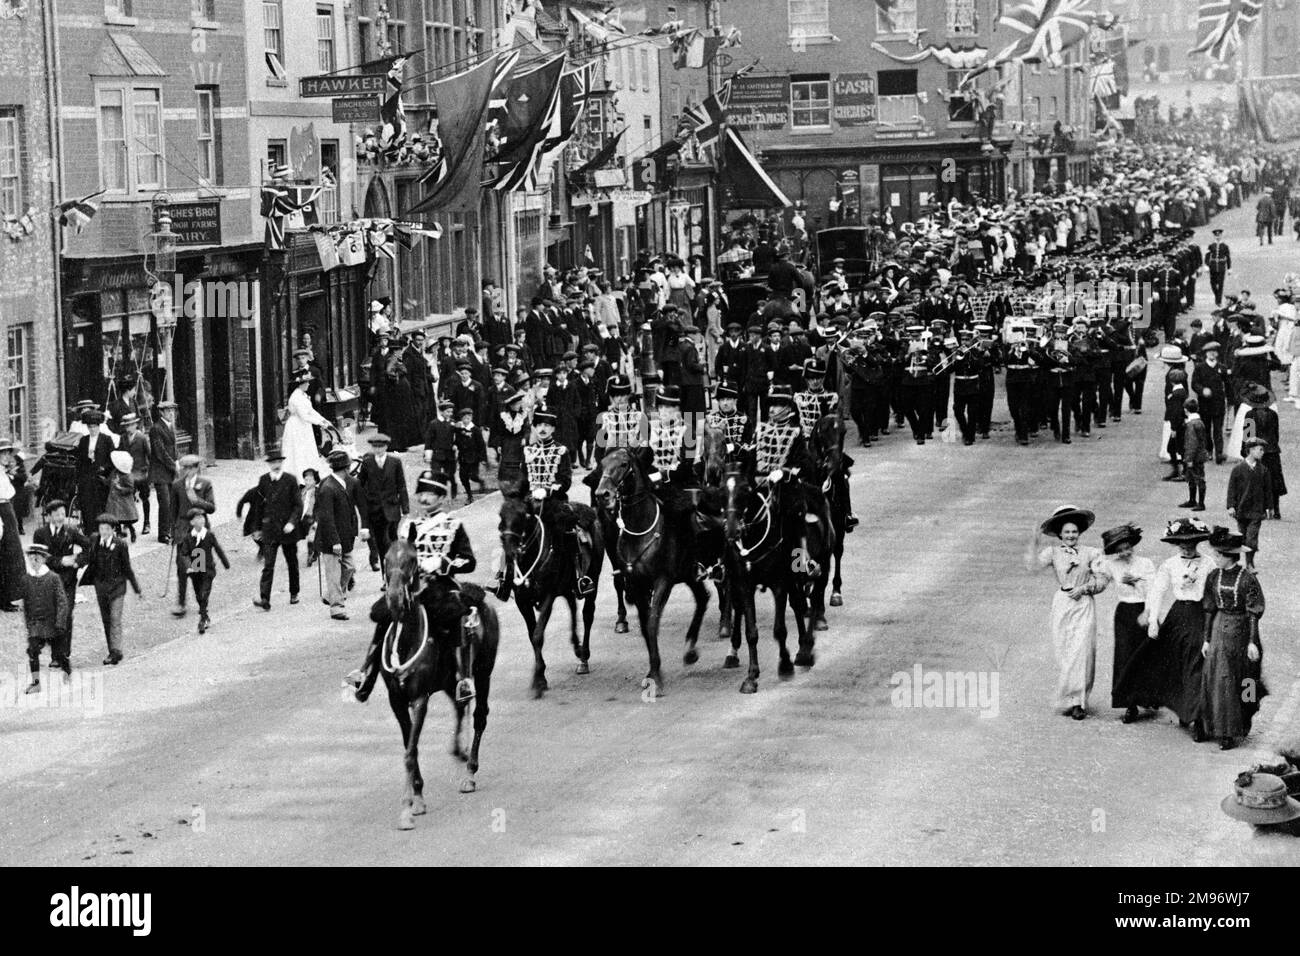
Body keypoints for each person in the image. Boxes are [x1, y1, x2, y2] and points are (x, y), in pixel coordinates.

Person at [349, 471, 479, 704]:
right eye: (422, 493)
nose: (425, 499)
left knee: (453, 616)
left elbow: (468, 561)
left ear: (441, 497)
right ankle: (366, 673)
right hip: (411, 586)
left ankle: (462, 679)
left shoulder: (453, 525)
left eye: (430, 494)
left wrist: (441, 564)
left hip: (440, 585)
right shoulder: (410, 526)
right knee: (383, 614)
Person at [1033, 506, 1105, 720]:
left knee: (1081, 651)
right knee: (1064, 649)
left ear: (1079, 532)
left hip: (1083, 603)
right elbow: (1033, 565)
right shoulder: (1053, 553)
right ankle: (1069, 698)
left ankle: (1079, 703)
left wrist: (1084, 588)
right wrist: (1033, 542)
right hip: (1063, 603)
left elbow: (1102, 579)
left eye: (1074, 532)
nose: (1071, 536)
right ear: (1059, 535)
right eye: (1066, 532)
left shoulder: (1091, 553)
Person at [1146, 517, 1214, 741]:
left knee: (1197, 664)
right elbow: (1157, 591)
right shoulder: (1169, 564)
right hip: (1178, 616)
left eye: (1191, 542)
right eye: (1181, 543)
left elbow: (1214, 593)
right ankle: (1185, 710)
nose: (1186, 546)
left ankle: (1197, 718)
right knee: (1178, 664)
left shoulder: (1209, 563)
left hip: (1199, 614)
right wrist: (1154, 620)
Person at [1200, 527, 1267, 751]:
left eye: (1218, 555)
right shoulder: (1213, 577)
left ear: (1228, 556)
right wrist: (1206, 639)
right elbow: (1209, 608)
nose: (1215, 558)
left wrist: (1252, 642)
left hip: (1241, 633)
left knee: (1246, 679)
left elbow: (1253, 612)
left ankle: (1240, 724)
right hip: (1219, 629)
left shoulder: (1247, 579)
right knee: (1219, 679)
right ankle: (1218, 728)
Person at [524, 410, 593, 596]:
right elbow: (523, 479)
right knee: (510, 528)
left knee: (566, 530)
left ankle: (579, 577)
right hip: (531, 502)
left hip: (554, 502)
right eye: (539, 425)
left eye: (547, 425)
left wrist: (547, 490)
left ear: (553, 428)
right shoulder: (528, 451)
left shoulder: (561, 450)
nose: (542, 429)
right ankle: (504, 577)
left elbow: (566, 480)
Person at [1097, 524, 1158, 724]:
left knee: (1146, 656)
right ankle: (1130, 705)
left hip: (1143, 610)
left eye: (1127, 547)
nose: (1124, 552)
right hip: (1124, 613)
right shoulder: (1112, 565)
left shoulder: (1145, 563)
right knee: (1125, 657)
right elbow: (1097, 573)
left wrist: (1148, 611)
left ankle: (1149, 697)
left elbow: (1154, 590)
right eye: (1119, 549)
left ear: (1132, 545)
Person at [79, 513, 143, 665]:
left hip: (117, 587)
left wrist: (137, 588)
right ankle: (112, 649)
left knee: (115, 618)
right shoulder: (95, 540)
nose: (104, 532)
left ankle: (115, 651)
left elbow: (127, 568)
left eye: (107, 529)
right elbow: (88, 557)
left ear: (113, 530)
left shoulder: (120, 545)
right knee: (106, 619)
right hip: (101, 587)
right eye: (102, 528)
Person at [315, 448, 369, 621]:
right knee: (333, 573)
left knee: (350, 567)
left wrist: (363, 527)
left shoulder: (352, 483)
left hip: (346, 536)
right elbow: (326, 517)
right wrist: (334, 541)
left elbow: (361, 505)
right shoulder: (327, 488)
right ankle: (337, 608)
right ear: (345, 468)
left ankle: (332, 594)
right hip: (330, 539)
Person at [250, 445, 303, 610]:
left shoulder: (290, 480)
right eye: (273, 462)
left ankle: (294, 592)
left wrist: (292, 523)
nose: (276, 464)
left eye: (279, 461)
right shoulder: (264, 480)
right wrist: (257, 528)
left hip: (287, 530)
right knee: (268, 565)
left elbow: (298, 505)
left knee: (292, 563)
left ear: (282, 462)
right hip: (270, 530)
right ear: (269, 464)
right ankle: (264, 598)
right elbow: (258, 506)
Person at [21, 542, 70, 693]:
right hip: (36, 624)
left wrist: (60, 623)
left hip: (52, 623)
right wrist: (29, 624)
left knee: (58, 654)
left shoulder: (53, 578)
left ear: (43, 560)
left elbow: (62, 601)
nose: (34, 562)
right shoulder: (26, 579)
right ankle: (36, 683)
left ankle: (67, 670)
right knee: (33, 650)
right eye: (31, 559)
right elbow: (27, 603)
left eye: (37, 559)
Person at [357, 433, 408, 573]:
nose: (378, 449)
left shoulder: (395, 462)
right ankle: (386, 578)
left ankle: (397, 570)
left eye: (381, 446)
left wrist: (405, 508)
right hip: (375, 510)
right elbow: (360, 484)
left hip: (392, 508)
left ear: (386, 447)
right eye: (375, 447)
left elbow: (401, 485)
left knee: (392, 540)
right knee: (381, 545)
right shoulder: (367, 463)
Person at [177, 506, 230, 634]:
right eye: (197, 518)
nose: (201, 520)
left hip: (208, 569)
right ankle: (205, 616)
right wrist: (188, 566)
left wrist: (225, 562)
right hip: (195, 570)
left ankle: (202, 619)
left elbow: (217, 549)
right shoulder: (188, 538)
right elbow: (183, 554)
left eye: (202, 518)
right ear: (192, 522)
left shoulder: (209, 535)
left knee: (204, 593)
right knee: (198, 594)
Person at [1226, 437, 1272, 570]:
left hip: (1257, 511)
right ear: (1251, 450)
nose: (1262, 452)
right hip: (1241, 510)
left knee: (1252, 538)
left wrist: (1269, 507)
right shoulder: (1238, 469)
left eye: (1263, 450)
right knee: (1242, 537)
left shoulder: (1263, 470)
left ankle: (1250, 563)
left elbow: (1268, 490)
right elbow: (1231, 489)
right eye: (1260, 450)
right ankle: (1238, 562)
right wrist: (1230, 506)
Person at [1242, 384, 1286, 519]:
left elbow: (1248, 437)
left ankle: (1261, 509)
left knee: (1257, 480)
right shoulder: (1273, 415)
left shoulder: (1250, 414)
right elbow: (1276, 434)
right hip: (1272, 451)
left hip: (1256, 451)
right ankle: (1276, 509)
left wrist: (1244, 451)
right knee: (1274, 480)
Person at [282, 369, 330, 482]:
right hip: (296, 427)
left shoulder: (303, 394)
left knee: (307, 451)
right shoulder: (296, 397)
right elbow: (304, 416)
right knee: (298, 452)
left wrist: (324, 419)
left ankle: (310, 476)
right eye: (307, 382)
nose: (309, 384)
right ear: (300, 384)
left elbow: (311, 411)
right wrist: (320, 423)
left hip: (303, 426)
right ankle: (297, 478)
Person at [75, 409, 115, 525]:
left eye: (94, 427)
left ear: (99, 427)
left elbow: (112, 459)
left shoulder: (106, 440)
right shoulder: (84, 440)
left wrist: (104, 468)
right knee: (87, 505)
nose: (92, 429)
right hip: (87, 477)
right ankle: (89, 528)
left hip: (101, 478)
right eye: (90, 427)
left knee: (100, 505)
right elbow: (79, 460)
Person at [149, 401, 179, 544]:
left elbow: (173, 447)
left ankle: (172, 531)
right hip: (160, 472)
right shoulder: (156, 428)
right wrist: (174, 465)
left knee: (173, 502)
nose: (171, 414)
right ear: (161, 412)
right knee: (165, 503)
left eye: (172, 411)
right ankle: (163, 534)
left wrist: (177, 460)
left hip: (170, 471)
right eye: (168, 411)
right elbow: (160, 452)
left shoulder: (171, 426)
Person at [119, 414, 152, 536]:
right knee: (128, 499)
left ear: (135, 425)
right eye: (126, 426)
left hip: (141, 473)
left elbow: (149, 455)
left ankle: (147, 523)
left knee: (145, 498)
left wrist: (149, 472)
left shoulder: (142, 438)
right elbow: (120, 454)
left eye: (131, 425)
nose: (129, 428)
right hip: (128, 474)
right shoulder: (123, 438)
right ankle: (128, 524)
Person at [1179, 397, 1209, 512]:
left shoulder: (1191, 424)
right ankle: (1194, 500)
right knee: (1192, 477)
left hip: (1194, 456)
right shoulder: (1199, 422)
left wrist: (1189, 458)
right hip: (1199, 454)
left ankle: (1199, 502)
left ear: (1186, 410)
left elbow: (1192, 443)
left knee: (1197, 478)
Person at [453, 407, 487, 501]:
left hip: (473, 457)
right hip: (463, 457)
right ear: (461, 419)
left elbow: (481, 444)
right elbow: (456, 439)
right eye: (464, 419)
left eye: (468, 418)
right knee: (463, 477)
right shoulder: (460, 429)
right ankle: (469, 495)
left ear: (471, 418)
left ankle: (480, 481)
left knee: (473, 476)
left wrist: (483, 458)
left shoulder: (475, 430)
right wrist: (455, 445)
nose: (466, 420)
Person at [105, 449, 139, 541]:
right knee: (116, 520)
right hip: (114, 501)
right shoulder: (114, 472)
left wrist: (119, 487)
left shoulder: (128, 476)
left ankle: (132, 531)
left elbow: (130, 489)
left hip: (124, 502)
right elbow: (108, 482)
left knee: (126, 520)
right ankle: (119, 533)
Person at [1205, 227, 1231, 306]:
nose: (1218, 237)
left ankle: (1218, 301)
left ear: (1221, 236)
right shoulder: (1211, 245)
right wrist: (1206, 265)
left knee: (1220, 284)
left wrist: (1229, 268)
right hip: (1213, 266)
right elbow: (1207, 256)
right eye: (1216, 236)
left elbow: (1228, 257)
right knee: (1212, 284)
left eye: (1219, 235)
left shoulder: (1225, 246)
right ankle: (1217, 296)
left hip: (1221, 267)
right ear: (1214, 236)